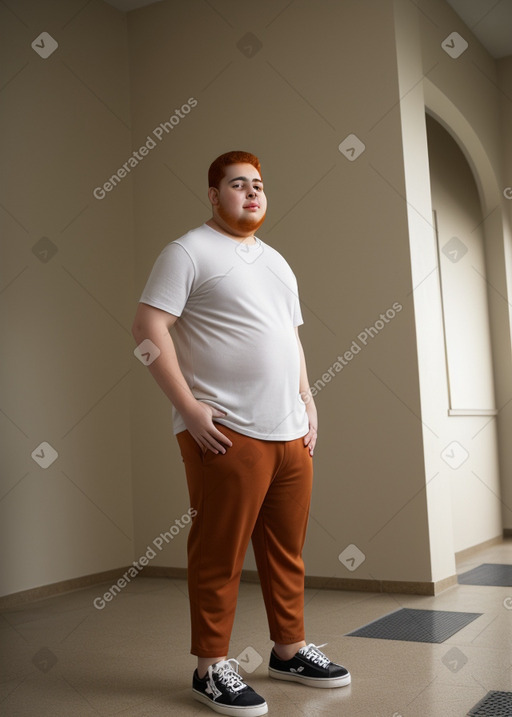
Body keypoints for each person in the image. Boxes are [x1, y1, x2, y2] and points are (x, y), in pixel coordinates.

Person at [132, 151, 351, 716]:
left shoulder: (276, 261)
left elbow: (289, 339)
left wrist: (308, 398)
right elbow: (147, 328)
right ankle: (210, 668)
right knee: (218, 552)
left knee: (286, 550)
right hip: (225, 431)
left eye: (258, 185)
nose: (252, 193)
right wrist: (189, 408)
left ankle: (289, 650)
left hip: (290, 431)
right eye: (237, 185)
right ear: (213, 193)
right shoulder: (187, 251)